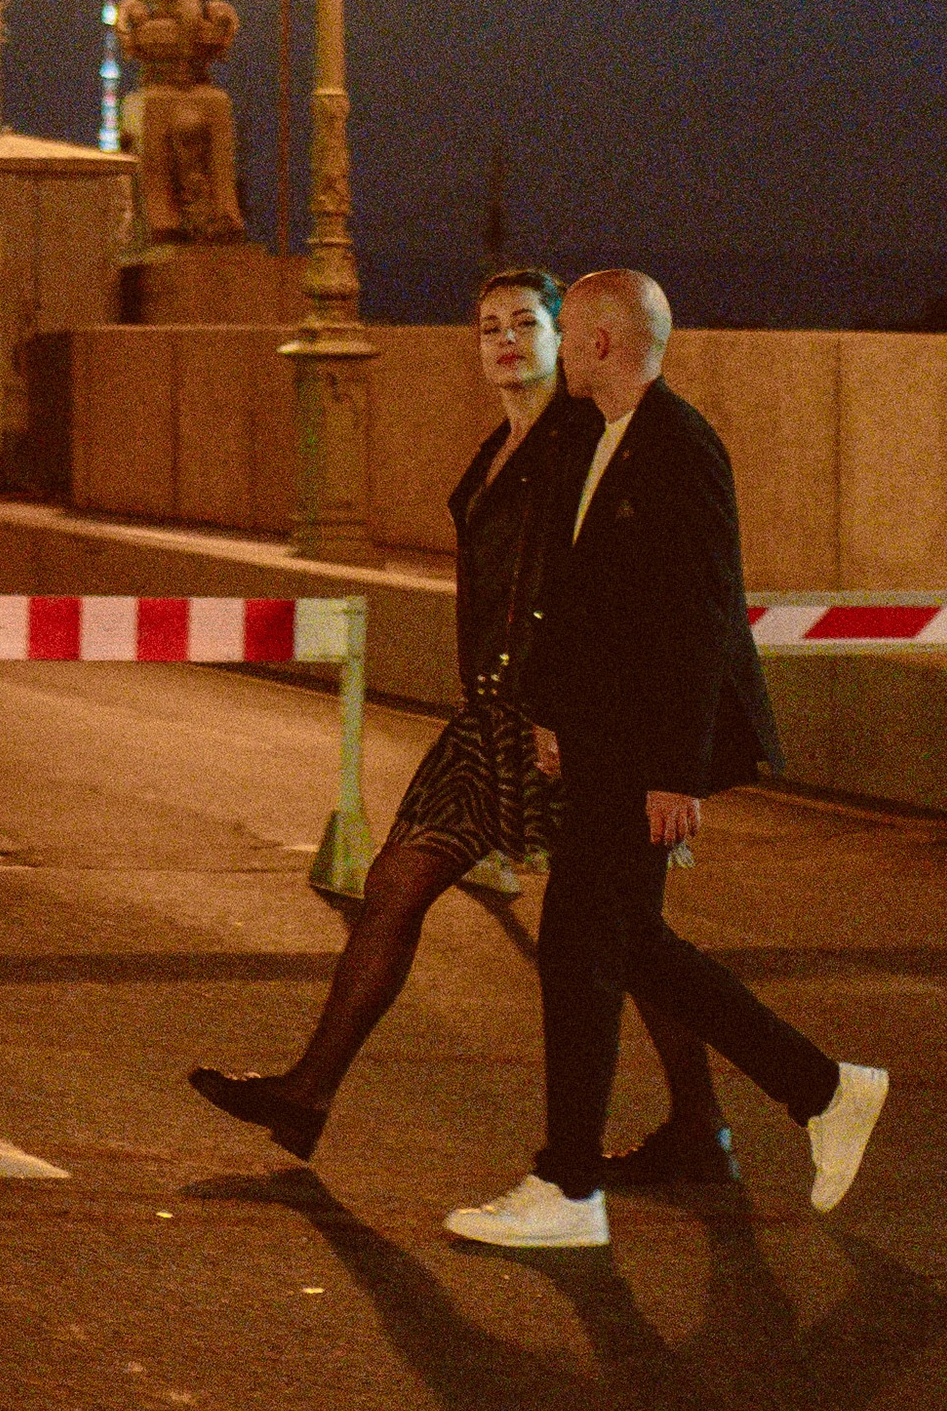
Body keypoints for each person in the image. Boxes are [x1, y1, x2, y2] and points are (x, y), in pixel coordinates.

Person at [186, 263, 727, 1171]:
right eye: (489, 328)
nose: (507, 341)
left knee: (626, 934)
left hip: (567, 719)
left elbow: (644, 598)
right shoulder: (503, 446)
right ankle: (307, 1093)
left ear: (569, 338)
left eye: (526, 323)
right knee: (397, 882)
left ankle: (702, 1125)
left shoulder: (588, 441)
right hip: (493, 717)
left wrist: (644, 742)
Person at [444, 268, 888, 1252]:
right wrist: (552, 714)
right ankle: (819, 1090)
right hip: (601, 738)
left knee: (580, 947)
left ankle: (570, 1185)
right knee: (623, 945)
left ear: (597, 343)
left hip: (642, 752)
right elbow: (584, 604)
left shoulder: (677, 447)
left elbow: (698, 619)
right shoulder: (603, 441)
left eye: (569, 336)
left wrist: (675, 774)